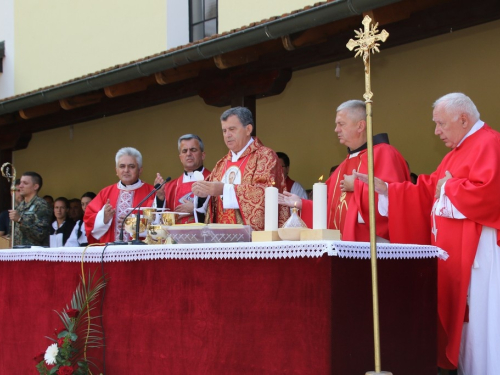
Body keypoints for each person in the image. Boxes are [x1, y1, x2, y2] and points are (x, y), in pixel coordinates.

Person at [355, 93, 500, 374]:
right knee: (469, 331)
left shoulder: (490, 143)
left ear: (463, 119)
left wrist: (449, 188)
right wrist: (389, 190)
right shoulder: (454, 154)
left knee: (484, 327)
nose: (436, 131)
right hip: (458, 257)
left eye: (441, 124)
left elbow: (491, 194)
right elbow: (427, 190)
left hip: (481, 254)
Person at [278, 100, 410, 242]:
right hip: (345, 245)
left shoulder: (384, 154)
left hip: (375, 245)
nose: (336, 129)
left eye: (341, 124)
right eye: (336, 124)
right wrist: (302, 203)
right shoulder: (343, 165)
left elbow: (397, 199)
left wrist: (357, 187)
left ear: (360, 126)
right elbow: (331, 208)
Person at [192, 107, 289, 230]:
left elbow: (265, 193)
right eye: (224, 131)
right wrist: (203, 195)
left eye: (232, 129)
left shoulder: (265, 157)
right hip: (222, 240)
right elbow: (211, 206)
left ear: (248, 129)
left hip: (253, 241)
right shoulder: (221, 164)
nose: (227, 135)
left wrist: (224, 190)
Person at [84, 147, 155, 243]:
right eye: (122, 166)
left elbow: (159, 225)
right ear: (116, 170)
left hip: (140, 253)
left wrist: (134, 224)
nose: (126, 170)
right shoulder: (105, 193)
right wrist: (103, 218)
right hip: (110, 253)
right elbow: (88, 221)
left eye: (131, 166)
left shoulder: (152, 193)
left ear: (140, 170)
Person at [154, 134, 210, 224]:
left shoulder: (213, 180)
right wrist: (160, 198)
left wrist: (196, 208)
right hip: (177, 237)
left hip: (204, 237)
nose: (188, 154)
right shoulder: (170, 187)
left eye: (193, 150)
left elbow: (221, 211)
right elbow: (159, 221)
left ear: (203, 155)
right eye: (184, 151)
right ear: (180, 158)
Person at [8, 172, 51, 246]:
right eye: (21, 182)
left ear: (35, 186)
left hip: (34, 253)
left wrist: (20, 220)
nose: (20, 186)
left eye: (25, 183)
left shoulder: (41, 205)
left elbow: (40, 234)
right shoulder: (19, 206)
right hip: (17, 252)